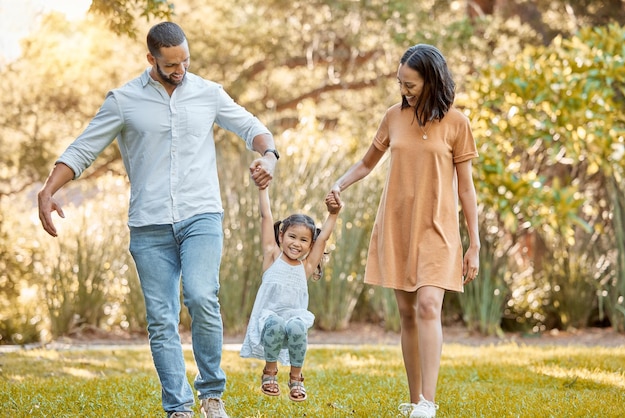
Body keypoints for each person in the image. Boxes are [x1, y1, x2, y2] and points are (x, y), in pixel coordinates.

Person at [37, 21, 279, 418]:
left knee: (202, 296)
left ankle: (212, 395)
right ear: (152, 59)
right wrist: (49, 189)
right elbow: (83, 149)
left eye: (185, 60)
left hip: (201, 214)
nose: (180, 69)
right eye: (171, 65)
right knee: (162, 318)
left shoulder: (207, 93)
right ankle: (178, 407)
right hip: (149, 224)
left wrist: (269, 155)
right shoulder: (124, 100)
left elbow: (251, 127)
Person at [326, 44, 480, 418]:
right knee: (408, 314)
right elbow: (367, 163)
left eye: (410, 84)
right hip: (397, 225)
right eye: (400, 83)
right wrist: (339, 185)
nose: (404, 90)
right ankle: (414, 403)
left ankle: (428, 402)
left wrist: (474, 243)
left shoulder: (457, 123)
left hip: (439, 229)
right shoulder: (393, 117)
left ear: (432, 81)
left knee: (429, 306)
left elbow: (466, 188)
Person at [239, 183, 342, 402]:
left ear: (310, 244)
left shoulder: (305, 268)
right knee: (276, 323)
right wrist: (263, 188)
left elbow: (323, 238)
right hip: (269, 323)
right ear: (281, 235)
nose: (296, 244)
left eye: (304, 240)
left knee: (297, 325)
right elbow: (266, 216)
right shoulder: (272, 257)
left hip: (292, 326)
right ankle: (270, 372)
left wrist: (333, 214)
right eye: (292, 237)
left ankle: (296, 378)